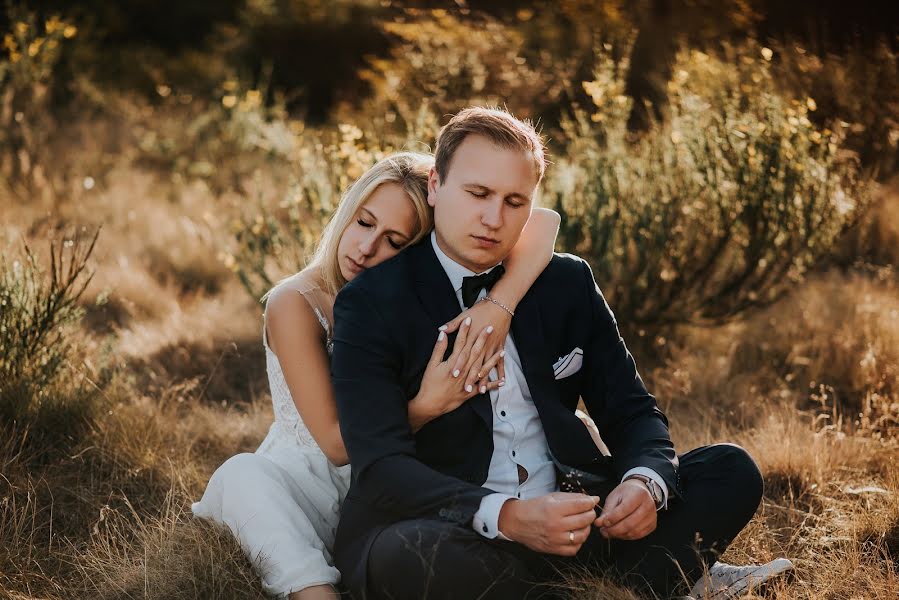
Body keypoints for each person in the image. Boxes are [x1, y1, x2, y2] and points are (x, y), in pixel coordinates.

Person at [331, 108, 793, 600]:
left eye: (515, 202)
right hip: (455, 528)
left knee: (730, 469)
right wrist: (505, 515)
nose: (493, 219)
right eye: (478, 194)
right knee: (410, 555)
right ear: (435, 185)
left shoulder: (566, 283)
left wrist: (643, 484)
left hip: (578, 524)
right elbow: (380, 466)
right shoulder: (371, 302)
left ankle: (595, 587)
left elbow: (630, 409)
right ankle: (632, 587)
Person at [192, 151, 567, 599]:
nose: (367, 248)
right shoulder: (296, 302)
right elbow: (334, 443)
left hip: (397, 487)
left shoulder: (412, 300)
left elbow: (544, 221)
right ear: (347, 213)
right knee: (240, 475)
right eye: (364, 222)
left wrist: (499, 302)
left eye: (395, 241)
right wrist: (426, 407)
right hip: (304, 489)